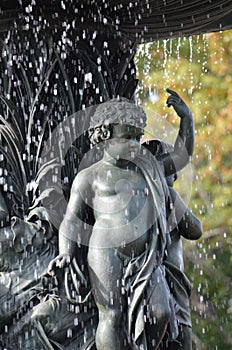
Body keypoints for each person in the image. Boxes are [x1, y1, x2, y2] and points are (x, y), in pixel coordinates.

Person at [47, 89, 195, 349]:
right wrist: (66, 252)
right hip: (106, 252)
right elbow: (71, 220)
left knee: (161, 312)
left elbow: (181, 157)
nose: (135, 146)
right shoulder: (89, 177)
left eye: (139, 138)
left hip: (147, 257)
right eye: (127, 137)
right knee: (112, 316)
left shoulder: (149, 167)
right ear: (104, 136)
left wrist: (188, 120)